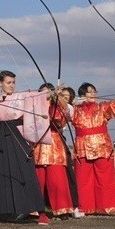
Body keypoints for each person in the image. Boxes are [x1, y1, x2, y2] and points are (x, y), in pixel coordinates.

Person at [0, 70, 49, 226]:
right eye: (8, 82)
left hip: (17, 136)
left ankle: (41, 213)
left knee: (26, 172)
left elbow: (41, 96)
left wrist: (52, 92)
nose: (12, 85)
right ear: (0, 83)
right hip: (0, 136)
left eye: (13, 82)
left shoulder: (21, 96)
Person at [71, 82, 115, 216]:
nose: (93, 94)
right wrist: (72, 103)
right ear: (82, 95)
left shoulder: (102, 107)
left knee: (105, 177)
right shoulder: (75, 109)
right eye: (89, 92)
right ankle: (85, 207)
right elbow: (62, 114)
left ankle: (108, 207)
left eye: (94, 91)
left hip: (102, 146)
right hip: (82, 146)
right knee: (83, 179)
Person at [33, 83, 74, 221]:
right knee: (38, 179)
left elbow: (59, 121)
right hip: (38, 143)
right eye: (43, 93)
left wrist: (56, 99)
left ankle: (62, 209)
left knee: (57, 178)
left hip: (54, 142)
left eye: (48, 92)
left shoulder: (57, 105)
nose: (46, 95)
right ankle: (34, 209)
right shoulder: (33, 105)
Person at [59, 87, 85, 219]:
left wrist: (78, 102)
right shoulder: (50, 105)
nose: (63, 97)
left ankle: (73, 206)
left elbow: (71, 111)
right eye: (61, 95)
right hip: (41, 143)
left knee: (68, 173)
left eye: (66, 96)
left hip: (58, 140)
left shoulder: (69, 108)